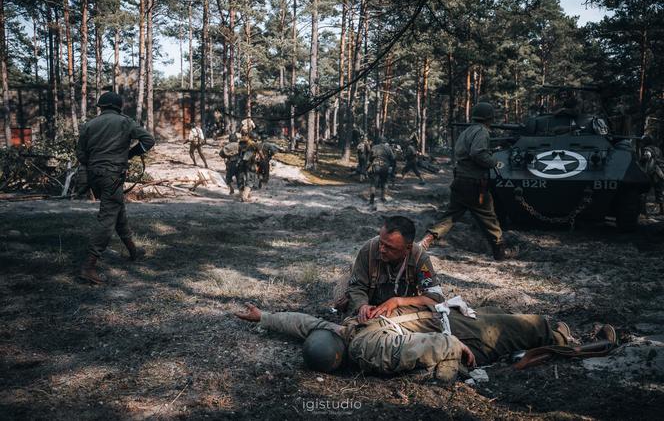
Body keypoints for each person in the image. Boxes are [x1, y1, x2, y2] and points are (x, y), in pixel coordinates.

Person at [234, 300, 613, 381]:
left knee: (509, 321)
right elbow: (406, 349)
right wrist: (451, 347)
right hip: (454, 338)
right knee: (524, 325)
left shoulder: (342, 335)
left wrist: (265, 317)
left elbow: (302, 323)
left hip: (438, 321)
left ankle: (553, 333)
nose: (327, 327)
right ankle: (566, 340)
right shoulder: (367, 348)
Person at [76, 91, 155, 284]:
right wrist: (129, 154)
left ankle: (133, 251)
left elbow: (80, 153)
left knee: (117, 210)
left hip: (95, 175)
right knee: (108, 217)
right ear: (119, 107)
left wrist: (95, 164)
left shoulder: (89, 125)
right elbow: (149, 140)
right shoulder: (125, 121)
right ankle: (89, 266)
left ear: (101, 107)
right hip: (113, 175)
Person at [420, 102, 515, 261]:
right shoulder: (482, 131)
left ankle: (426, 241)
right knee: (489, 218)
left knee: (450, 217)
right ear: (489, 118)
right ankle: (500, 252)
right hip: (475, 184)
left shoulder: (466, 132)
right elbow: (478, 153)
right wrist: (493, 162)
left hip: (460, 180)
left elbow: (463, 152)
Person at [337, 216, 444, 323]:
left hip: (401, 311)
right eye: (381, 242)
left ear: (408, 248)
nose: (381, 249)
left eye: (389, 247)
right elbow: (357, 287)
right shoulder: (369, 250)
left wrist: (398, 301)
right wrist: (362, 306)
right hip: (371, 308)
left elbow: (435, 298)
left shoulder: (419, 258)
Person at [367, 136, 396, 208]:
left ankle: (372, 199)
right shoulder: (388, 148)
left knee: (373, 183)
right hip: (385, 167)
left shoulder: (374, 147)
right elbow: (393, 158)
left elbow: (370, 158)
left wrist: (369, 164)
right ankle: (383, 197)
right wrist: (392, 167)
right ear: (385, 141)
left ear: (379, 141)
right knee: (384, 182)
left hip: (376, 165)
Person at [639, 134, 664, 215]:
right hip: (660, 172)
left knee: (643, 191)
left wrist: (641, 160)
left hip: (652, 172)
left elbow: (647, 156)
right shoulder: (658, 149)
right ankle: (662, 210)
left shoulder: (647, 149)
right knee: (659, 192)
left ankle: (643, 210)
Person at [237, 131, 260, 202]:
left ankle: (241, 194)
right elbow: (260, 154)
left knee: (240, 178)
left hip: (240, 162)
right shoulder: (254, 144)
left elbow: (239, 152)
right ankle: (244, 197)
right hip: (250, 164)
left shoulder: (241, 143)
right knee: (250, 179)